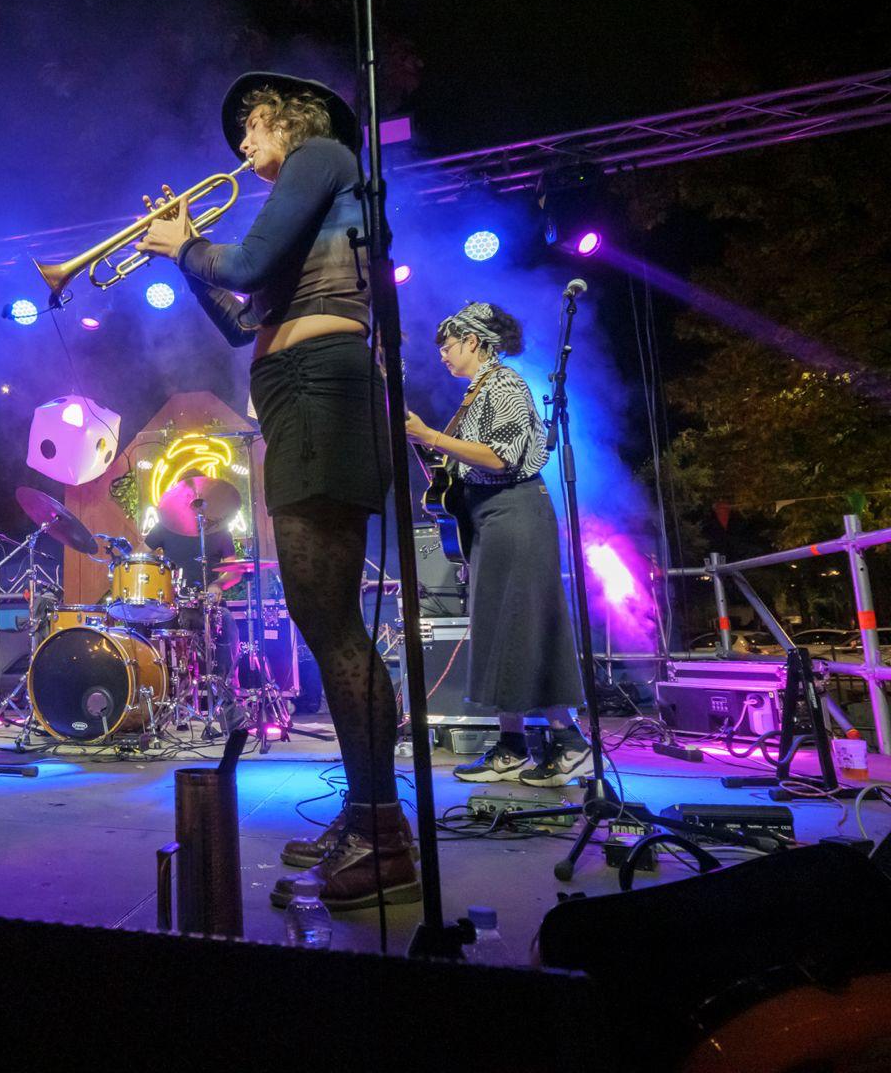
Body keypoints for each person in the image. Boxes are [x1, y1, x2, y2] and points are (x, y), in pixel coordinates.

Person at [136, 72, 415, 911]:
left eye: (251, 129)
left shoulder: (323, 154)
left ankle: (384, 834)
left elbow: (247, 261)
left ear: (286, 120)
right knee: (319, 615)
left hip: (323, 386)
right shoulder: (310, 189)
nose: (243, 148)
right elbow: (238, 310)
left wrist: (188, 244)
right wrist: (184, 258)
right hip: (298, 387)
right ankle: (368, 815)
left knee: (331, 621)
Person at [404, 302, 589, 786]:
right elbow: (466, 464)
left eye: (448, 344)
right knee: (500, 628)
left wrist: (428, 435)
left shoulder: (504, 383)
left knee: (522, 624)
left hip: (516, 512)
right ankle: (512, 746)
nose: (442, 354)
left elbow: (501, 458)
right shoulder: (478, 391)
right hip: (493, 518)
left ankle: (569, 742)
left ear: (474, 341)